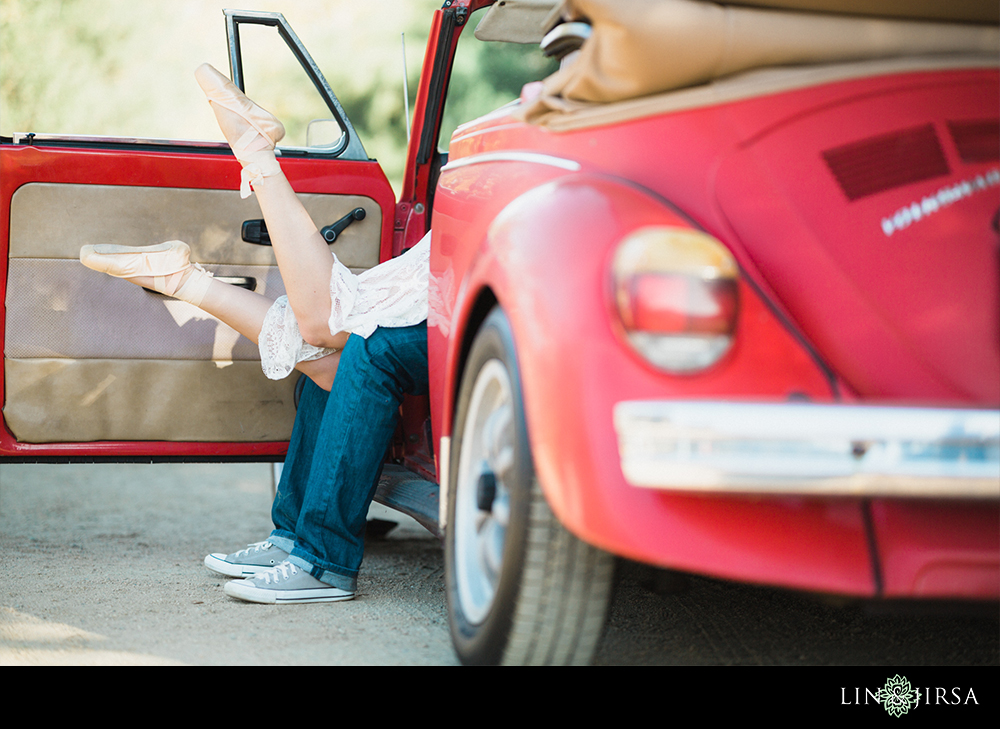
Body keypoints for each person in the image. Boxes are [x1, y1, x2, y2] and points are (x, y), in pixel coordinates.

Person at [80, 64, 430, 604]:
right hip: (463, 269)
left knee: (346, 342)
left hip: (483, 282)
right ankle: (297, 542)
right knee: (331, 347)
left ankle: (320, 558)